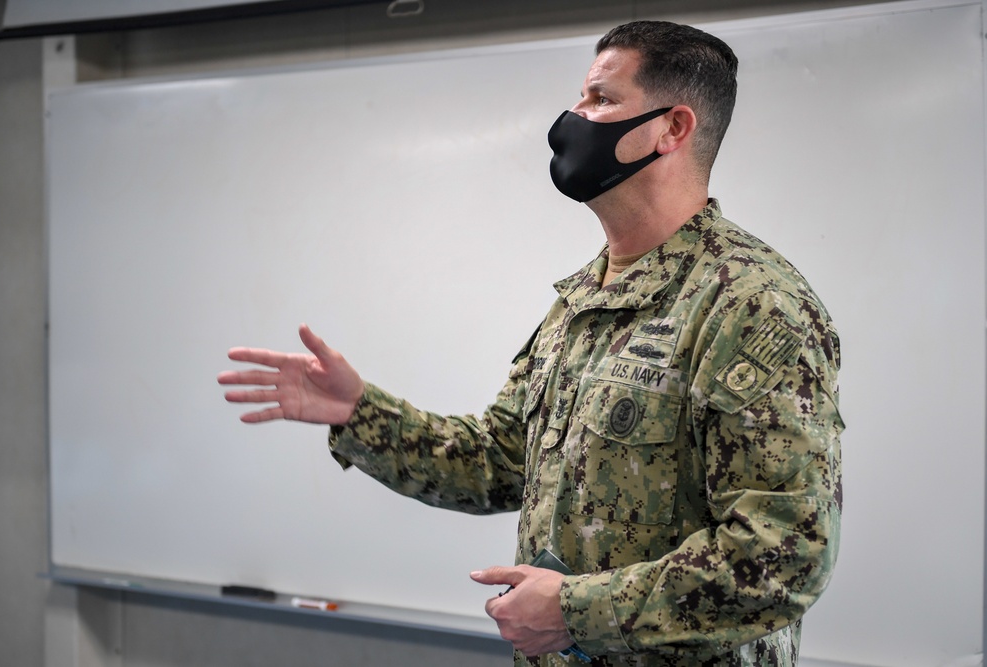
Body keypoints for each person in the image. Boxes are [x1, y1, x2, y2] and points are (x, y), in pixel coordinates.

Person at [217, 20, 843, 667]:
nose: (574, 117)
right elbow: (499, 460)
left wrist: (577, 611)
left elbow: (785, 553)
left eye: (601, 99)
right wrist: (360, 412)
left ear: (672, 128)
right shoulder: (582, 301)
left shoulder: (751, 301)